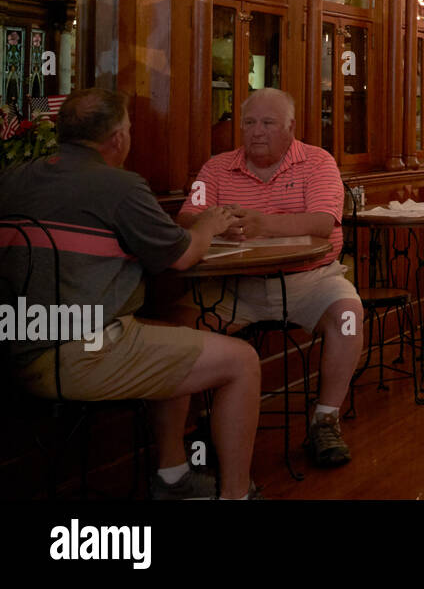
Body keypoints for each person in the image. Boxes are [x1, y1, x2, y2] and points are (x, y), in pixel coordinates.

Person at [0, 88, 261, 499]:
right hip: (79, 354)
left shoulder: (12, 178)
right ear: (118, 138)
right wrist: (208, 224)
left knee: (174, 330)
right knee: (243, 361)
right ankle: (236, 495)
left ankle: (174, 476)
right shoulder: (120, 187)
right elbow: (182, 256)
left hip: (14, 350)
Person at [178, 88, 362, 468]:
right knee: (180, 327)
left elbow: (323, 223)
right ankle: (197, 429)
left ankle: (325, 421)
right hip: (233, 285)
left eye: (268, 123)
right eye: (249, 122)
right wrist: (213, 225)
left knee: (348, 317)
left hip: (310, 280)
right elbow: (185, 217)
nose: (256, 131)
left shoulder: (318, 162)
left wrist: (262, 224)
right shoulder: (215, 168)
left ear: (290, 126)